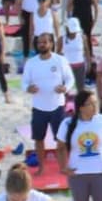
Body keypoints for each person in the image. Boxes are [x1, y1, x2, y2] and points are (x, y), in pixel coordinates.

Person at [22, 32, 74, 177]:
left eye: (45, 42)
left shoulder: (60, 60)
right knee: (39, 139)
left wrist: (65, 88)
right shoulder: (31, 62)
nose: (42, 45)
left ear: (51, 43)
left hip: (57, 106)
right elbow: (24, 82)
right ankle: (41, 167)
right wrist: (28, 88)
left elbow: (70, 79)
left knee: (61, 139)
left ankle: (63, 167)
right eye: (40, 42)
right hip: (38, 107)